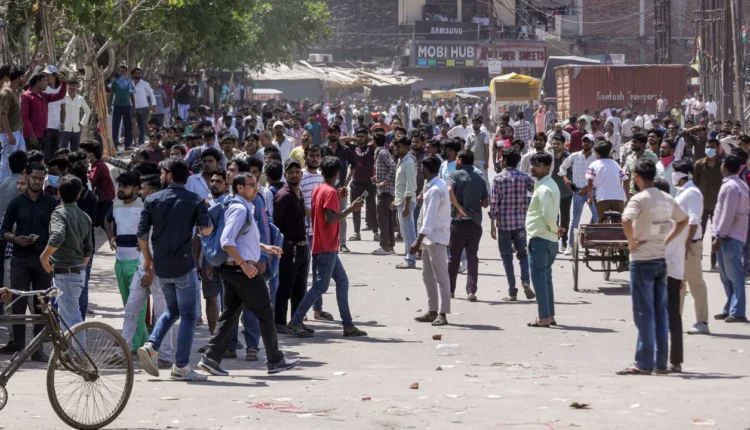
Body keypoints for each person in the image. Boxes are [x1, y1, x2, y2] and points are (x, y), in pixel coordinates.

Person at [196, 172, 300, 376]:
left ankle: (210, 358)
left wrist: (263, 247)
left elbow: (241, 239)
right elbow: (227, 241)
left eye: (256, 184)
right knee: (265, 312)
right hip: (240, 271)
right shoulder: (239, 209)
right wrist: (244, 264)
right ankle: (275, 360)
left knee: (230, 314)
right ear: (240, 188)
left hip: (233, 269)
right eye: (251, 185)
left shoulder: (243, 207)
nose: (256, 188)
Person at [137, 158, 213, 381]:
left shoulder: (152, 200)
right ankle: (181, 366)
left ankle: (152, 344)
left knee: (172, 310)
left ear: (170, 175)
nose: (160, 177)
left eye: (162, 173)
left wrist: (148, 260)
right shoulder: (195, 200)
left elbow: (142, 235)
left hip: (161, 266)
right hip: (184, 265)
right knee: (188, 315)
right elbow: (206, 231)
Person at [618, 160, 688, 375]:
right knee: (660, 313)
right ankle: (660, 362)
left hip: (642, 260)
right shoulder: (666, 198)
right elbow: (683, 220)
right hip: (660, 259)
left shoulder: (640, 199)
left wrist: (631, 242)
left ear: (638, 177)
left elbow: (625, 220)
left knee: (644, 314)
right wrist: (667, 239)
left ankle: (644, 363)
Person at [286, 156, 367, 338]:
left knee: (341, 282)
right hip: (326, 246)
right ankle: (296, 320)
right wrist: (351, 209)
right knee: (320, 286)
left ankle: (348, 325)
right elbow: (330, 218)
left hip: (325, 245)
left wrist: (338, 196)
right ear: (338, 173)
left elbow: (323, 211)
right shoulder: (329, 192)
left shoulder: (319, 188)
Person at [0, 163, 58, 360]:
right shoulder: (16, 203)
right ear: (27, 177)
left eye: (41, 179)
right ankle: (20, 347)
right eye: (34, 178)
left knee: (42, 303)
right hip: (20, 260)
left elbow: (58, 231)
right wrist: (16, 239)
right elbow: (4, 229)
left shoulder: (51, 203)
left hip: (43, 260)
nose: (37, 182)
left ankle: (37, 349)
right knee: (18, 303)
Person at [122, 174, 174, 369]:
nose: (140, 192)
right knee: (131, 310)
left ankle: (165, 355)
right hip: (142, 268)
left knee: (162, 313)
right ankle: (125, 350)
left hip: (157, 272)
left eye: (142, 188)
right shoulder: (148, 208)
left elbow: (162, 246)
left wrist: (152, 270)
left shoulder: (162, 212)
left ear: (152, 191)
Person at [40, 174, 92, 348]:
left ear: (58, 193)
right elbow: (88, 249)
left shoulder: (59, 214)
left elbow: (57, 237)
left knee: (72, 320)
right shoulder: (84, 216)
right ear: (78, 194)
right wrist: (80, 267)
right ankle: (70, 355)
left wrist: (44, 257)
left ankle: (81, 357)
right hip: (77, 272)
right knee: (67, 318)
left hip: (65, 274)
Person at [105, 171, 149, 351]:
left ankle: (132, 345)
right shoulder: (115, 204)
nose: (121, 189)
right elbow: (106, 220)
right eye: (120, 186)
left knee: (137, 305)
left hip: (138, 261)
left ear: (136, 189)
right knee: (128, 304)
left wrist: (145, 244)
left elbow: (152, 227)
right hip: (120, 260)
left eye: (125, 186)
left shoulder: (144, 205)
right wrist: (110, 236)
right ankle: (144, 341)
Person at [490, 147, 535, 301]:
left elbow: (494, 204)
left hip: (504, 225)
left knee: (506, 258)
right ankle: (525, 281)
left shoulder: (498, 179)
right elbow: (536, 190)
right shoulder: (524, 177)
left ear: (504, 160)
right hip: (520, 223)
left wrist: (492, 224)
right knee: (523, 255)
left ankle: (512, 291)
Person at [411, 155, 451, 326]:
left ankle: (443, 313)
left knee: (441, 277)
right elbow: (424, 213)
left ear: (426, 170)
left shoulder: (435, 189)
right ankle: (432, 310)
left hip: (436, 237)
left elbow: (429, 217)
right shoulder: (433, 185)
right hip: (428, 237)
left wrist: (418, 239)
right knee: (427, 276)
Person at [671, 159, 710, 335]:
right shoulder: (682, 192)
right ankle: (674, 319)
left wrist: (686, 245)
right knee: (679, 284)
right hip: (681, 244)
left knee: (695, 283)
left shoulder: (692, 193)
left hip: (690, 245)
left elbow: (694, 220)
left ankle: (702, 321)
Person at [525, 153, 563, 328]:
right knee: (545, 279)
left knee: (539, 279)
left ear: (547, 168)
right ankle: (550, 315)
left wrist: (555, 229)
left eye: (537, 165)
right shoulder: (548, 184)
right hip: (547, 238)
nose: (533, 168)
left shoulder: (544, 188)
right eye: (533, 164)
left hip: (541, 237)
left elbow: (548, 214)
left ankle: (544, 318)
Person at [446, 150, 489, 302]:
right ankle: (471, 291)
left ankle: (450, 290)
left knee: (454, 257)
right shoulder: (480, 178)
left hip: (458, 223)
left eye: (457, 159)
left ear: (461, 160)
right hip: (475, 223)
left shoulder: (453, 175)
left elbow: (449, 190)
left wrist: (458, 207)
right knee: (472, 257)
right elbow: (485, 203)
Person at [712, 149, 749, 323]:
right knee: (726, 276)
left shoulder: (731, 187)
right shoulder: (737, 184)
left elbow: (728, 213)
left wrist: (719, 235)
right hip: (729, 235)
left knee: (734, 275)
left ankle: (738, 310)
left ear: (725, 166)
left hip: (729, 237)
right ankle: (730, 307)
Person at [653, 178, 685, 373]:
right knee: (674, 316)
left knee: (658, 315)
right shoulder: (678, 215)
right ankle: (676, 360)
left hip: (660, 270)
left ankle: (659, 359)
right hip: (675, 271)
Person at [273, 159, 309, 332]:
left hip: (302, 246)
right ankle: (280, 323)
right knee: (286, 286)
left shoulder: (299, 192)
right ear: (285, 174)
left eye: (297, 172)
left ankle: (296, 321)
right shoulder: (283, 196)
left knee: (300, 288)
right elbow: (277, 224)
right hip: (289, 247)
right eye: (291, 172)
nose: (294, 175)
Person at [298, 146, 331, 321]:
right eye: (312, 155)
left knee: (318, 271)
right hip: (305, 230)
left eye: (317, 156)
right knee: (304, 272)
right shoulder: (301, 176)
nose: (315, 159)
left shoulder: (321, 177)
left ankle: (318, 309)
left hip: (319, 231)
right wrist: (312, 215)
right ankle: (301, 310)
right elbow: (299, 200)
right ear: (306, 157)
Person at [560, 134, 598, 255]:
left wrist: (587, 188)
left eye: (588, 142)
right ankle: (570, 246)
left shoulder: (596, 158)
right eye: (584, 141)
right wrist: (566, 180)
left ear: (593, 144)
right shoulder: (574, 156)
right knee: (575, 220)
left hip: (592, 191)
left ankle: (598, 246)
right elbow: (562, 168)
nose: (586, 143)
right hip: (578, 192)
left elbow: (599, 176)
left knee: (597, 218)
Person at [322, 124, 356, 253]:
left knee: (341, 215)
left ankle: (342, 243)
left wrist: (348, 179)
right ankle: (327, 242)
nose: (333, 135)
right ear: (327, 133)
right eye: (331, 132)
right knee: (326, 215)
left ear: (338, 134)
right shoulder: (323, 149)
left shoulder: (345, 149)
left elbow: (354, 164)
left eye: (335, 132)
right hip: (325, 188)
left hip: (341, 188)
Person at [21, 72, 67, 156]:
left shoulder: (44, 95)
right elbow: (24, 117)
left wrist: (63, 83)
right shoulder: (26, 96)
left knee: (42, 159)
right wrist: (31, 135)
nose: (47, 83)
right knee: (32, 159)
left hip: (43, 135)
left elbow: (59, 96)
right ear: (38, 81)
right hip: (32, 137)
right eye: (45, 80)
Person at [392, 137, 418, 269]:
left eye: (399, 146)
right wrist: (396, 200)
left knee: (409, 231)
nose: (396, 149)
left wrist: (407, 205)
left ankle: (411, 259)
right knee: (404, 231)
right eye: (396, 146)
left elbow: (410, 185)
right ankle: (408, 256)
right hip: (401, 201)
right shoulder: (401, 161)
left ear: (407, 147)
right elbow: (401, 184)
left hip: (406, 202)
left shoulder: (408, 163)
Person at [586, 141, 629, 217]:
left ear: (598, 154)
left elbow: (589, 183)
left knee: (602, 221)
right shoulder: (615, 163)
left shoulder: (594, 164)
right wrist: (627, 197)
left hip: (603, 198)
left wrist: (590, 198)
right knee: (618, 222)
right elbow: (625, 180)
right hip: (618, 198)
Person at [80, 140, 116, 231]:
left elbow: (90, 180)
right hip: (104, 200)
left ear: (91, 154)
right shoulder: (97, 164)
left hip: (104, 201)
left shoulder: (98, 166)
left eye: (84, 153)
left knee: (108, 225)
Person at [349, 127, 377, 241]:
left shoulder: (371, 148)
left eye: (362, 136)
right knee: (355, 209)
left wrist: (369, 138)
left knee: (371, 208)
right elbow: (340, 140)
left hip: (368, 184)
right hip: (356, 183)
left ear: (367, 137)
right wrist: (354, 139)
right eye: (358, 136)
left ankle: (376, 232)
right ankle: (357, 233)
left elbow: (380, 141)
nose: (360, 139)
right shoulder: (353, 148)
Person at [0, 66, 26, 181]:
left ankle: (17, 184)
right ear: (19, 77)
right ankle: (2, 185)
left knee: (21, 159)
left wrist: (33, 68)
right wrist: (10, 135)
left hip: (18, 132)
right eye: (23, 77)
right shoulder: (6, 93)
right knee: (7, 162)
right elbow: (3, 115)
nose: (24, 79)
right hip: (9, 133)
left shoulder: (15, 91)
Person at [372, 133, 396, 255]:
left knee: (382, 219)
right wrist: (377, 178)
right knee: (388, 219)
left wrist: (385, 180)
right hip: (384, 190)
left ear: (374, 141)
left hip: (386, 190)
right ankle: (390, 246)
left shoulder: (382, 153)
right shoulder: (381, 152)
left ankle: (385, 246)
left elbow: (393, 166)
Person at [549, 134, 572, 252]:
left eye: (558, 144)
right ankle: (554, 240)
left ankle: (564, 240)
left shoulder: (569, 158)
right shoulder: (548, 157)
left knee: (565, 218)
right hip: (551, 193)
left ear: (563, 145)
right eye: (554, 143)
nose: (555, 146)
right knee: (553, 218)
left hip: (565, 193)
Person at [60, 78, 90, 151]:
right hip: (64, 129)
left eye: (74, 85)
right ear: (67, 86)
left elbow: (87, 111)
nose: (72, 87)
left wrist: (82, 123)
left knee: (75, 152)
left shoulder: (80, 99)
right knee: (62, 151)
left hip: (76, 130)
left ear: (77, 87)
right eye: (70, 85)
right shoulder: (62, 97)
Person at [109, 65, 136, 149]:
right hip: (117, 106)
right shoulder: (115, 82)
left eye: (124, 71)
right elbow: (111, 94)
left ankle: (127, 145)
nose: (122, 73)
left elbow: (132, 94)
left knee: (128, 126)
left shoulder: (129, 82)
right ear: (119, 72)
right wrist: (108, 106)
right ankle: (115, 145)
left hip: (127, 106)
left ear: (126, 72)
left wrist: (134, 106)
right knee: (115, 126)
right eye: (120, 71)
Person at [466, 116, 490, 191]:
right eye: (474, 123)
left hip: (482, 161)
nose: (475, 125)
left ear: (480, 124)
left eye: (477, 123)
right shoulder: (469, 136)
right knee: (472, 179)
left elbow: (487, 150)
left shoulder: (485, 135)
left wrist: (486, 162)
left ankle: (488, 194)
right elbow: (467, 150)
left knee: (484, 179)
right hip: (472, 162)